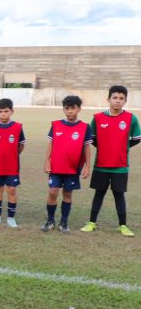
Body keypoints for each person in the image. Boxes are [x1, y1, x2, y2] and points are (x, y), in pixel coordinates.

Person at [81, 85, 141, 236]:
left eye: (121, 98)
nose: (118, 101)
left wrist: (123, 147)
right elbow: (92, 139)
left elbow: (136, 138)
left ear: (125, 101)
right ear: (108, 99)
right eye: (115, 98)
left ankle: (123, 226)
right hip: (101, 165)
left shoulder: (131, 118)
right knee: (99, 193)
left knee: (119, 195)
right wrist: (104, 148)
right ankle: (91, 223)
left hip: (120, 166)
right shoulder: (98, 118)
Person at [43, 95, 91, 233]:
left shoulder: (84, 127)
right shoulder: (56, 124)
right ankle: (50, 221)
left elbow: (86, 147)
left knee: (68, 194)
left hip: (73, 167)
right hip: (56, 166)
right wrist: (47, 161)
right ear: (63, 109)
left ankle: (64, 223)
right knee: (52, 192)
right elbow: (51, 144)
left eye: (73, 108)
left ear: (79, 109)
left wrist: (87, 166)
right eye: (67, 108)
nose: (70, 111)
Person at [0, 98, 26, 228]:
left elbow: (20, 145)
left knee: (12, 190)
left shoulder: (18, 127)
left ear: (12, 111)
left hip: (12, 165)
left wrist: (12, 155)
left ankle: (10, 218)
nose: (3, 114)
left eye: (6, 111)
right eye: (0, 111)